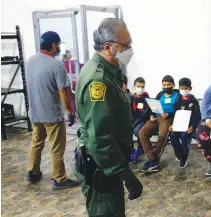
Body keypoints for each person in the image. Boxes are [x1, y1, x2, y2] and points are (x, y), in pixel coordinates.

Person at [74, 18, 143, 217]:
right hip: (100, 166)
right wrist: (128, 176)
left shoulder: (109, 70)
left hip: (107, 165)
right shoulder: (99, 81)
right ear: (108, 47)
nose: (130, 49)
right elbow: (100, 140)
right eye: (126, 45)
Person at [25, 31, 78, 190]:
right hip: (52, 114)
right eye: (58, 45)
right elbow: (63, 91)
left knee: (36, 143)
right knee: (56, 147)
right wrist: (69, 111)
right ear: (53, 45)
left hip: (35, 113)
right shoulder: (56, 65)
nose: (59, 48)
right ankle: (60, 179)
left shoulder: (30, 61)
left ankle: (32, 171)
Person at [139, 75, 179, 173]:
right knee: (142, 133)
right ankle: (152, 159)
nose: (166, 87)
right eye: (164, 85)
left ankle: (154, 162)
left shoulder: (177, 96)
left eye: (169, 84)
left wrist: (168, 114)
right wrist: (151, 115)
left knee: (162, 136)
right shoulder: (160, 94)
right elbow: (153, 106)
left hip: (168, 119)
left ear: (173, 85)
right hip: (156, 118)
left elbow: (179, 110)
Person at [169, 78, 201, 168]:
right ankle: (179, 155)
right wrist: (172, 125)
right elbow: (175, 114)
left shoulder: (193, 101)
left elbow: (197, 116)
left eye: (186, 88)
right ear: (179, 88)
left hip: (188, 127)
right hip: (178, 125)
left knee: (184, 137)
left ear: (190, 88)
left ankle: (184, 158)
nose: (183, 90)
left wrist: (192, 127)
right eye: (181, 88)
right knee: (172, 134)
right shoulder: (178, 100)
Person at [130, 77, 150, 163]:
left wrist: (135, 123)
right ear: (134, 86)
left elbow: (145, 113)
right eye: (138, 86)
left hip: (142, 120)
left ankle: (141, 148)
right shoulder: (130, 98)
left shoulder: (146, 98)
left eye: (142, 87)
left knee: (137, 130)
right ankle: (130, 150)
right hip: (132, 120)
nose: (140, 89)